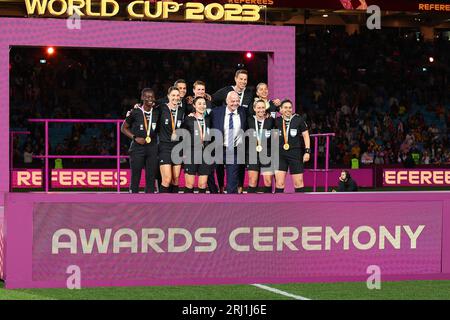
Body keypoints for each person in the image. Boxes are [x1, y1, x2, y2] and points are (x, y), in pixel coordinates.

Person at [121, 88, 160, 193]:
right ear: (142, 97)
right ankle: (133, 200)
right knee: (136, 175)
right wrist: (135, 138)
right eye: (147, 96)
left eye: (152, 97)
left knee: (151, 176)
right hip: (137, 148)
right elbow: (123, 128)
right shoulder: (135, 112)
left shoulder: (157, 112)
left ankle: (150, 203)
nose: (150, 99)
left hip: (152, 147)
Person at [210, 91, 247, 194]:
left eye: (237, 101)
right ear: (226, 101)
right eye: (232, 101)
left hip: (234, 149)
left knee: (232, 180)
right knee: (208, 173)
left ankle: (232, 203)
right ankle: (214, 197)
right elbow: (204, 120)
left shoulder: (243, 112)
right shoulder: (216, 112)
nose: (235, 103)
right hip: (218, 149)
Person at [274, 99, 311, 193]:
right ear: (281, 109)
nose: (288, 110)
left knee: (298, 182)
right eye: (285, 107)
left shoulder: (298, 119)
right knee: (279, 183)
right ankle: (278, 206)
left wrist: (307, 151)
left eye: (290, 107)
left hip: (295, 153)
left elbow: (306, 135)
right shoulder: (276, 121)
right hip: (280, 154)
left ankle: (301, 205)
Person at [182, 96, 212, 193]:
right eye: (199, 104)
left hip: (205, 154)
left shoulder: (208, 119)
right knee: (190, 184)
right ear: (194, 105)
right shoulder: (188, 119)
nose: (202, 106)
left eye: (204, 104)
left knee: (202, 184)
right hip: (191, 153)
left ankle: (201, 206)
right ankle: (187, 207)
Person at [158, 86, 185, 193]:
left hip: (178, 147)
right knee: (167, 179)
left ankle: (174, 205)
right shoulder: (161, 108)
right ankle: (161, 206)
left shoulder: (182, 110)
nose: (175, 97)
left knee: (176, 179)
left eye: (177, 95)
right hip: (165, 146)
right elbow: (148, 111)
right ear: (168, 96)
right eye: (173, 95)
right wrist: (135, 108)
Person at [246, 100, 274, 193]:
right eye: (258, 108)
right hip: (252, 154)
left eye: (263, 107)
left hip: (267, 153)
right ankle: (250, 205)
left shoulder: (270, 120)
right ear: (254, 109)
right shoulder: (249, 120)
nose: (261, 110)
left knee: (268, 181)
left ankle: (269, 205)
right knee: (253, 181)